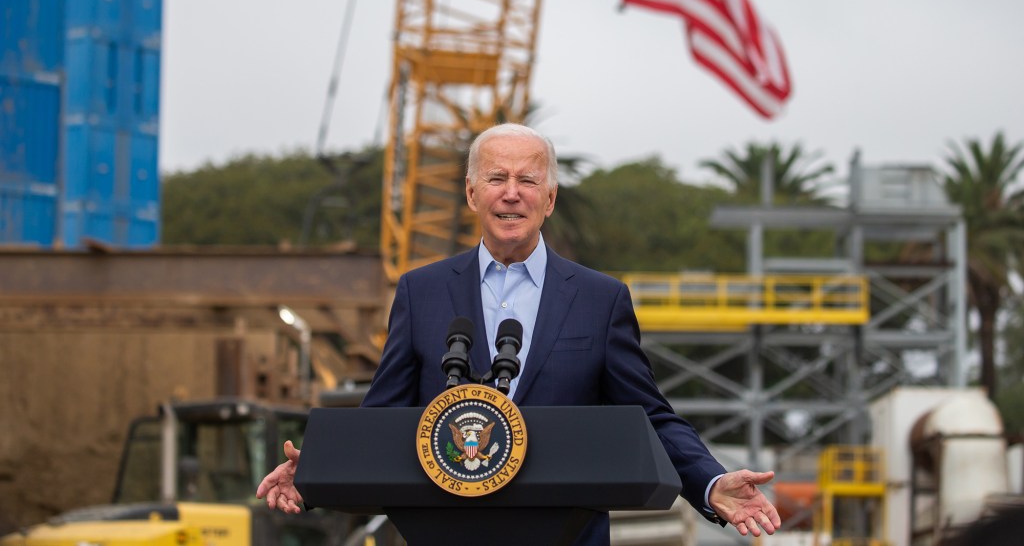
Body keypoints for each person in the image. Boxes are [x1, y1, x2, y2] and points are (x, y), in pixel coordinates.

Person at [257, 123, 782, 544]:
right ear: (470, 192)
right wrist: (319, 470)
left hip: (564, 534)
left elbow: (649, 415)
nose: (512, 194)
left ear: (549, 198)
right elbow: (384, 416)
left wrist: (711, 483)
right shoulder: (421, 292)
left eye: (528, 181)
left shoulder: (601, 300)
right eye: (496, 178)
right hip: (445, 533)